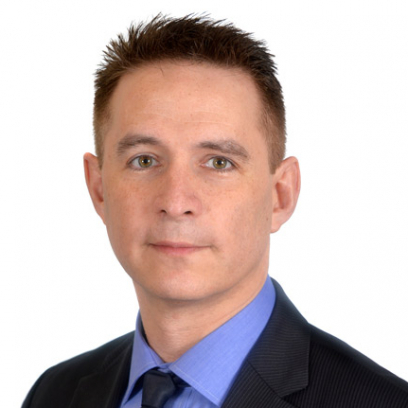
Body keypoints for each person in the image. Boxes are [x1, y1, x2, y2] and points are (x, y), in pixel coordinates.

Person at [22, 14, 408, 408]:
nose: (175, 202)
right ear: (99, 188)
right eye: (143, 160)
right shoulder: (54, 394)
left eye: (218, 162)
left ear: (280, 195)